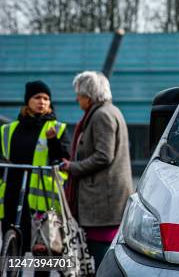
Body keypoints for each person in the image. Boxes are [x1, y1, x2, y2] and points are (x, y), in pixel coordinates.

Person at [62, 71, 133, 267]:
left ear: (89, 95)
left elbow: (103, 155)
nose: (77, 99)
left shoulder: (101, 115)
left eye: (79, 94)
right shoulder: (109, 111)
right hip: (105, 199)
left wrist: (72, 167)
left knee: (101, 257)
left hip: (102, 201)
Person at [0, 80, 70, 276]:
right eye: (37, 97)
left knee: (44, 255)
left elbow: (64, 161)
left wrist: (52, 140)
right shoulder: (8, 129)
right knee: (15, 252)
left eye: (46, 98)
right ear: (27, 101)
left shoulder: (57, 128)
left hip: (43, 202)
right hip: (12, 197)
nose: (42, 102)